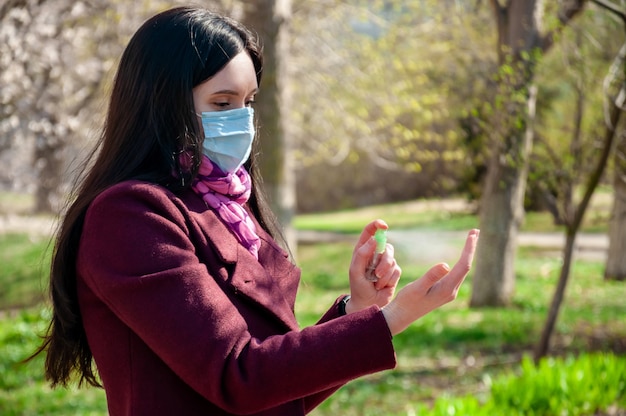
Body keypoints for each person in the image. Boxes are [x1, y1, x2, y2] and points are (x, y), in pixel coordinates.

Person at [32, 6, 479, 416]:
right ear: (162, 104)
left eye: (248, 102)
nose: (242, 120)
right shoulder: (131, 215)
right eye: (222, 103)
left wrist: (356, 310)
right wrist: (392, 318)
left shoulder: (230, 208)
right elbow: (239, 376)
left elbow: (279, 387)